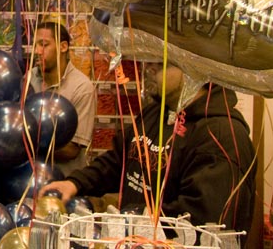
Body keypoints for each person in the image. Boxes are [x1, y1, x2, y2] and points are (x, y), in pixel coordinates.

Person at [40, 61, 256, 241]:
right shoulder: (156, 111)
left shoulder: (221, 135)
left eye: (161, 62)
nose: (149, 69)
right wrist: (76, 182)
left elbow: (199, 223)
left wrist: (128, 221)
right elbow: (119, 160)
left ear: (194, 68)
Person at [28, 22, 96, 176]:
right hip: (28, 181)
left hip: (64, 184)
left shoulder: (82, 88)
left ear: (63, 47)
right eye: (35, 45)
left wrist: (25, 145)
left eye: (43, 45)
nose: (37, 51)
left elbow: (72, 150)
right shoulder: (29, 79)